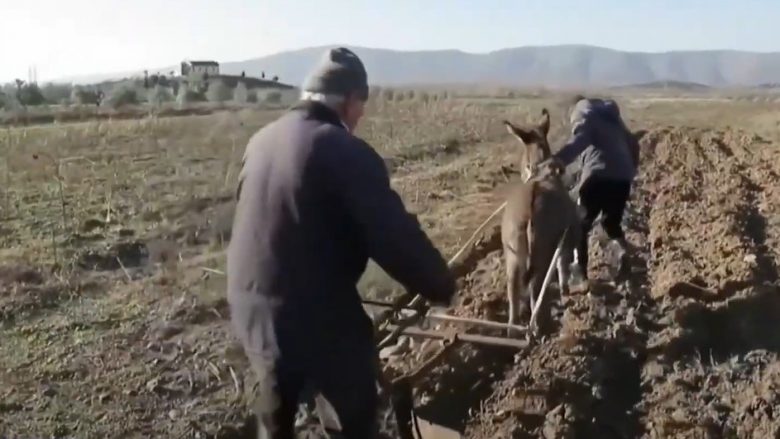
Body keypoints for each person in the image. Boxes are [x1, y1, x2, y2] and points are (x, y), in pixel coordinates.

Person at [227, 47, 456, 439]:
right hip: (315, 312)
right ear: (349, 101)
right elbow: (393, 236)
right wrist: (439, 285)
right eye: (361, 105)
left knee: (275, 414)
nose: (362, 116)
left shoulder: (261, 141)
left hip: (250, 305)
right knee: (352, 409)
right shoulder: (343, 149)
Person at [548, 95, 639, 283]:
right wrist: (629, 172)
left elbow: (580, 140)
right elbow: (633, 144)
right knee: (610, 223)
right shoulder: (614, 120)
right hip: (622, 178)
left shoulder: (584, 113)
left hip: (598, 175)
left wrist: (558, 160)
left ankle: (579, 271)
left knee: (580, 225)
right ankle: (621, 253)